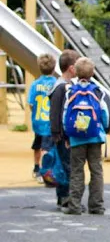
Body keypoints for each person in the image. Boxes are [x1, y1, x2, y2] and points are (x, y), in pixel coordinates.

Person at [62, 57, 110, 215]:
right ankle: (96, 206)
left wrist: (67, 134)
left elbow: (65, 116)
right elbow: (104, 114)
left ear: (75, 71)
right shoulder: (97, 91)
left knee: (77, 171)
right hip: (95, 136)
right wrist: (105, 128)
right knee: (96, 171)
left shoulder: (70, 91)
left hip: (76, 138)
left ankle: (74, 205)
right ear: (93, 73)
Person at [49, 49, 81, 210]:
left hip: (65, 134)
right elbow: (55, 112)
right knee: (66, 165)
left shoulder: (68, 85)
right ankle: (66, 196)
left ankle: (64, 195)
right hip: (62, 135)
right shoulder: (60, 87)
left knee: (65, 165)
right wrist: (57, 134)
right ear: (71, 68)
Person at [28, 54, 56, 183]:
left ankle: (36, 168)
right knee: (47, 147)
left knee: (37, 145)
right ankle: (46, 172)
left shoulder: (35, 84)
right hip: (49, 122)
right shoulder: (56, 84)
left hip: (38, 121)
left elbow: (31, 104)